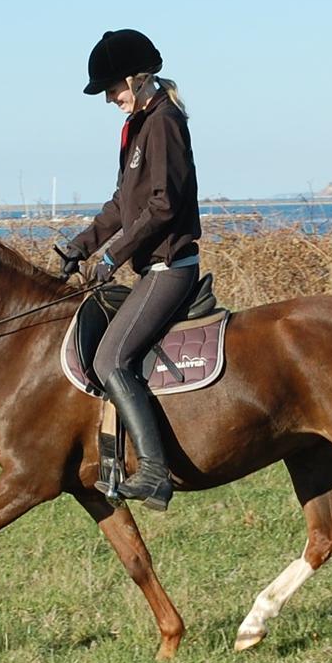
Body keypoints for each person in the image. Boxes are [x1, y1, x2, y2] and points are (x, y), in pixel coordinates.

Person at [59, 29, 202, 512]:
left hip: (171, 269)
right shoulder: (138, 126)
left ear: (137, 79)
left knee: (109, 360)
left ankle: (156, 472)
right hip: (152, 269)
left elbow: (162, 207)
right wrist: (80, 246)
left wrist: (110, 258)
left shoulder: (163, 123)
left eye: (113, 90)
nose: (110, 99)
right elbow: (124, 203)